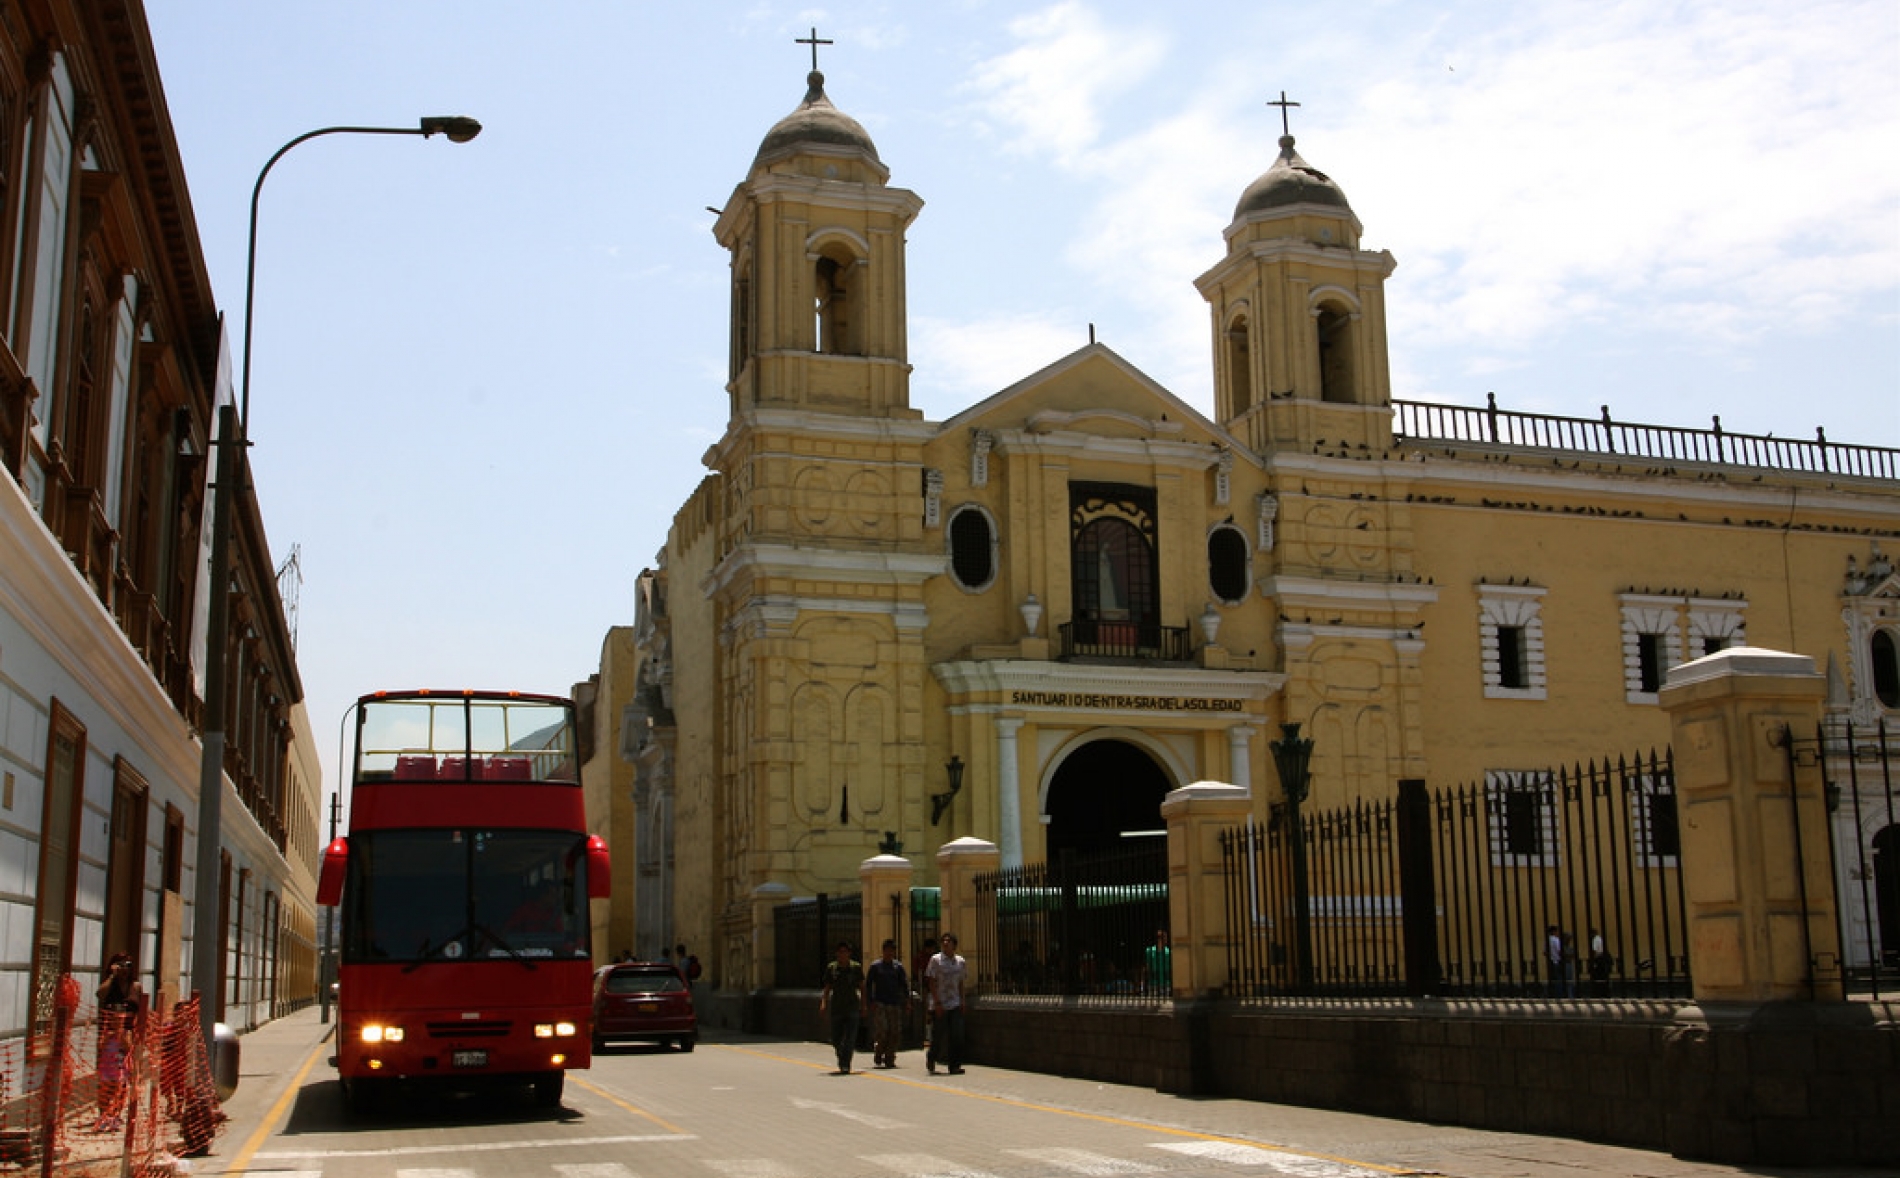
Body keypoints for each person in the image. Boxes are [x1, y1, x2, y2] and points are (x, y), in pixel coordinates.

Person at [94, 952, 142, 1132]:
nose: (124, 970)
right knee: (106, 1078)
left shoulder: (135, 987)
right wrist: (112, 976)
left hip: (128, 1036)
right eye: (120, 965)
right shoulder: (109, 985)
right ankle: (103, 1113)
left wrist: (137, 1037)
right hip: (110, 1036)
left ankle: (116, 1114)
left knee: (123, 1079)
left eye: (127, 965)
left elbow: (140, 1012)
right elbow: (99, 995)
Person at [818, 941, 867, 1074]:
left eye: (845, 952)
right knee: (836, 1038)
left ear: (849, 954)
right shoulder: (832, 968)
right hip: (837, 1007)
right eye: (840, 952)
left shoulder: (855, 967)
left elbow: (862, 987)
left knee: (850, 1038)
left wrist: (864, 1005)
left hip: (852, 1006)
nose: (842, 955)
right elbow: (827, 988)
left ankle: (846, 1063)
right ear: (837, 954)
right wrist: (823, 1003)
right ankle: (841, 1056)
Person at [924, 931, 967, 1075]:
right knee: (938, 1035)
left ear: (954, 945)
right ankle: (932, 1057)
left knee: (957, 1035)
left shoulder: (960, 961)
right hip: (941, 1003)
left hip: (955, 1002)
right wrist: (936, 1002)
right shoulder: (935, 959)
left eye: (949, 941)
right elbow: (931, 981)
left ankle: (954, 1065)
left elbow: (961, 982)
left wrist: (962, 1000)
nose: (945, 943)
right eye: (943, 941)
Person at [865, 938, 909, 1068]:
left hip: (894, 1003)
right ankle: (879, 1051)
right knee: (883, 1030)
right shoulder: (875, 966)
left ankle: (890, 1057)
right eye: (887, 950)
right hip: (880, 1003)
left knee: (895, 1031)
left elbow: (904, 985)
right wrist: (870, 1001)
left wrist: (907, 1001)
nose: (890, 953)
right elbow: (868, 985)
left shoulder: (898, 967)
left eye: (892, 950)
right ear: (883, 951)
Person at [1143, 929, 1172, 996]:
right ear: (1159, 939)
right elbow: (1147, 967)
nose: (1166, 939)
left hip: (1166, 984)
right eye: (1164, 937)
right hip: (1153, 984)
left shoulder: (1169, 952)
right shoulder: (1149, 951)